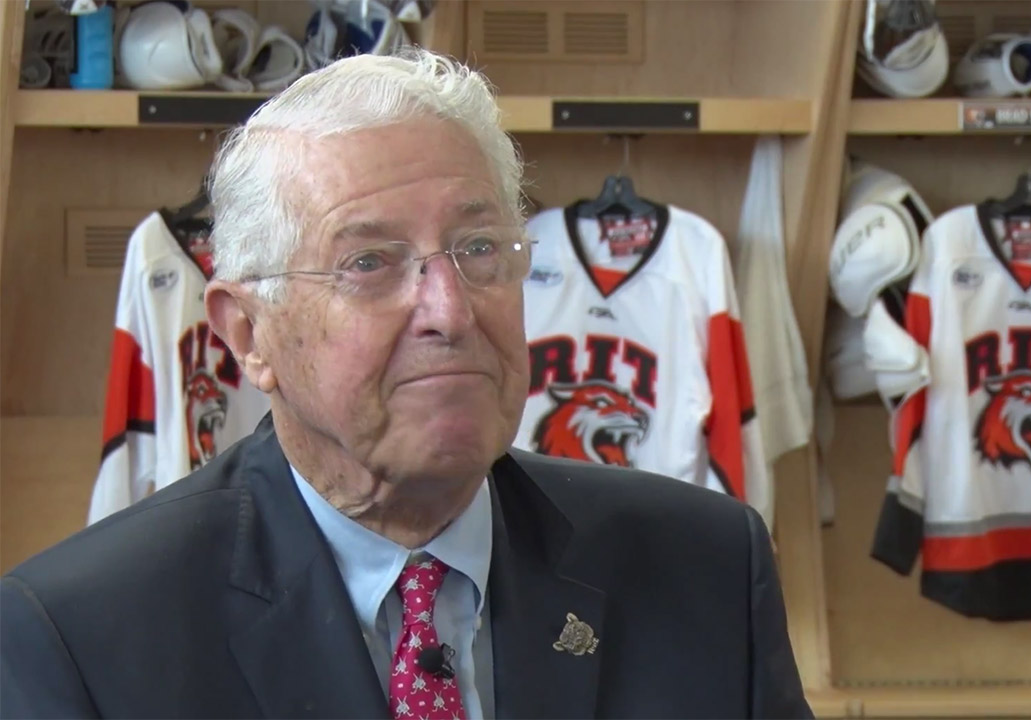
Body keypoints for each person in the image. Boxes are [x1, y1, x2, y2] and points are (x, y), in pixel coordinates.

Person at [0, 48, 813, 719]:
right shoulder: (82, 636)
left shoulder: (708, 570)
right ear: (249, 335)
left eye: (480, 248)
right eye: (369, 263)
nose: (450, 310)